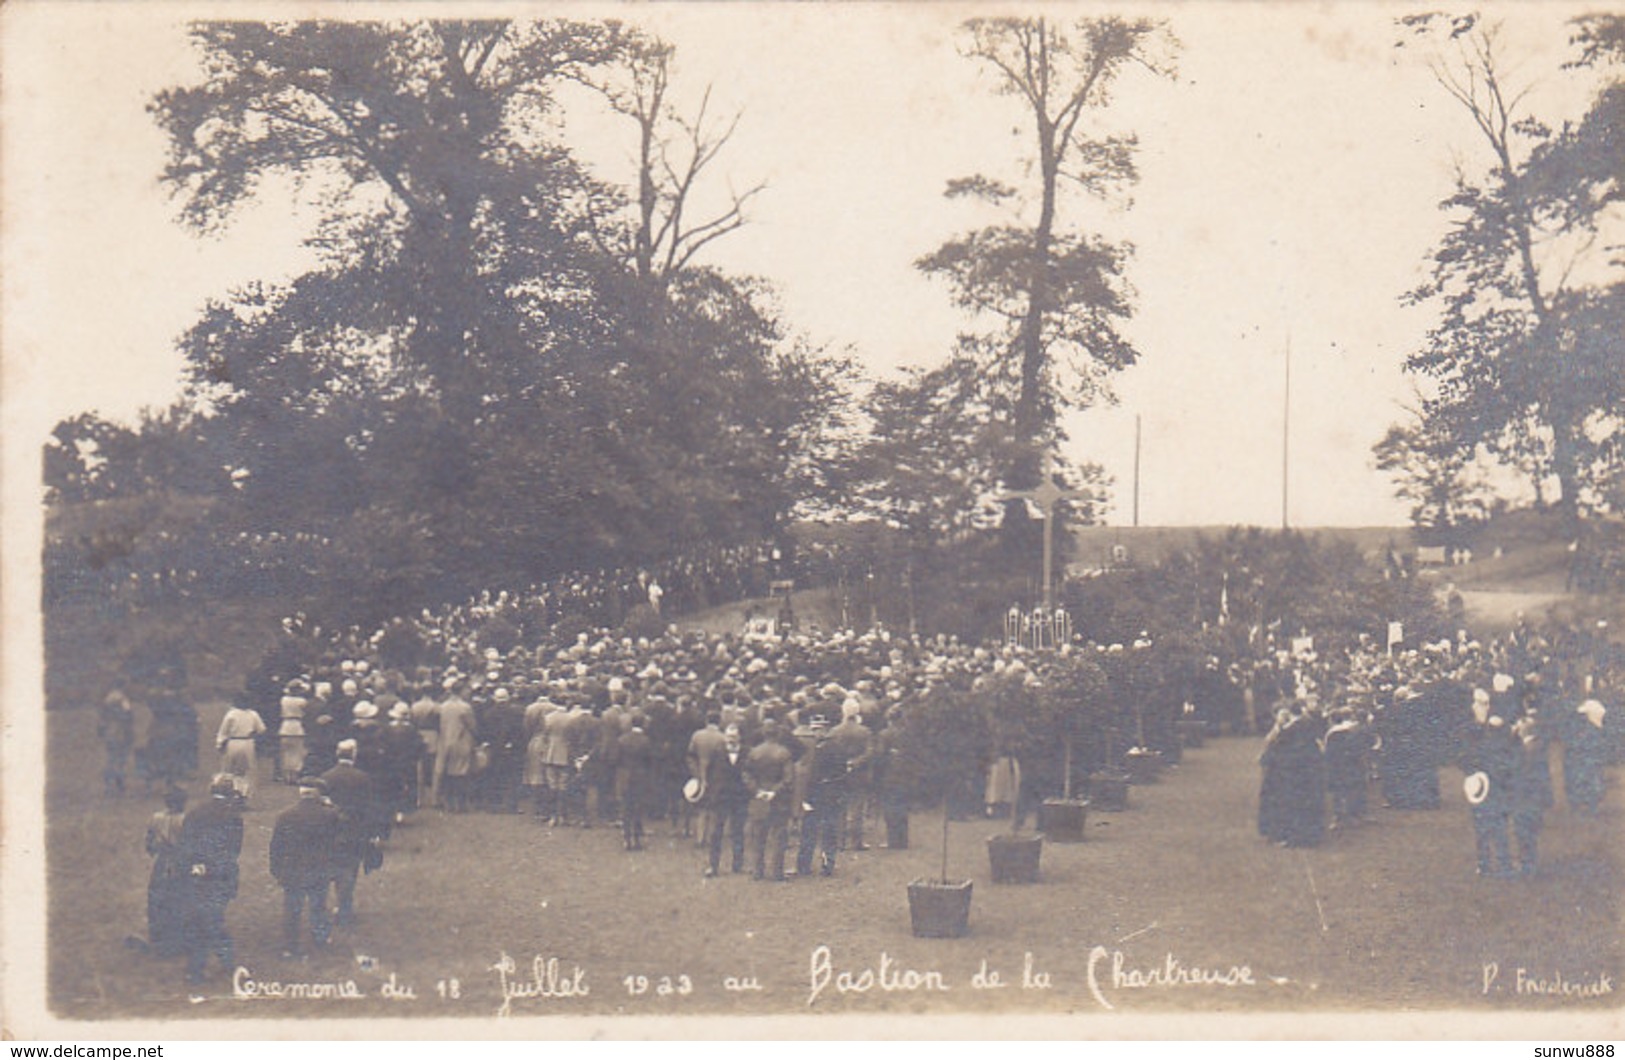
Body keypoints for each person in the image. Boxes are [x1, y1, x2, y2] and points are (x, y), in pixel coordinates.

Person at [179, 775, 244, 994]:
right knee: (213, 919)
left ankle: (204, 967)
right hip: (222, 876)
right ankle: (212, 966)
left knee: (203, 920)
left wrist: (197, 864)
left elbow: (185, 844)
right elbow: (234, 850)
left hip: (198, 874)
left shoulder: (195, 813)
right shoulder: (234, 817)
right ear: (230, 793)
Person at [270, 777, 339, 958]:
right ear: (318, 794)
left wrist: (277, 870)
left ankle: (290, 945)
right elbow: (335, 844)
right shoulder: (329, 815)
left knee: (292, 909)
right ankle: (320, 937)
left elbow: (276, 847)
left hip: (293, 870)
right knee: (318, 906)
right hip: (319, 869)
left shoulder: (285, 815)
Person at [321, 739, 380, 927]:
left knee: (331, 868)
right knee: (350, 870)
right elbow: (369, 807)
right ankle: (345, 906)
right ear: (354, 755)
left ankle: (329, 908)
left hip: (332, 831)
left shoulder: (326, 777)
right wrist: (372, 833)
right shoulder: (363, 778)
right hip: (355, 831)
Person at [137, 786, 189, 958]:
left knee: (157, 899)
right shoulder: (186, 820)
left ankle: (159, 938)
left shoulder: (156, 818)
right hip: (180, 863)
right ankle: (176, 941)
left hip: (162, 863)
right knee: (179, 900)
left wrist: (155, 849)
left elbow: (149, 843)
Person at [744, 720, 795, 881]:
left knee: (758, 835)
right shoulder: (784, 753)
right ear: (777, 734)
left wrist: (757, 790)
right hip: (779, 799)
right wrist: (774, 791)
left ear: (763, 734)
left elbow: (746, 775)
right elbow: (788, 778)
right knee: (779, 835)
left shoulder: (754, 753)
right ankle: (777, 872)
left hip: (758, 797)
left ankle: (758, 871)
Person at [1509, 711, 1554, 876]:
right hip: (1534, 798)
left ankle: (1527, 865)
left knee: (1524, 832)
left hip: (1526, 798)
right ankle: (1528, 863)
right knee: (1528, 833)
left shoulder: (1528, 750)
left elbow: (1520, 772)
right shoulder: (1536, 746)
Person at [702, 724, 750, 877]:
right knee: (716, 832)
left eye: (734, 736)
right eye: (729, 736)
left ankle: (737, 864)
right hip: (720, 798)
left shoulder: (747, 752)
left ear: (740, 737)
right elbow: (709, 772)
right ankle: (713, 865)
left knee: (738, 832)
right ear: (724, 737)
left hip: (739, 797)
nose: (731, 739)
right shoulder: (717, 751)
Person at [436, 676, 478, 813]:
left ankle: (449, 801)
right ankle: (461, 803)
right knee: (462, 772)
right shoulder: (465, 707)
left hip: (445, 740)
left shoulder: (443, 706)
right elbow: (472, 726)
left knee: (448, 771)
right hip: (461, 741)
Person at [215, 697, 267, 803]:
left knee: (229, 770)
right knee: (244, 771)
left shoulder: (231, 714)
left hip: (233, 742)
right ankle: (242, 793)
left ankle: (229, 793)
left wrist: (220, 744)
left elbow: (223, 731)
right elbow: (262, 729)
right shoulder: (253, 714)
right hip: (247, 742)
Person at [616, 713, 654, 851]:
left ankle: (627, 839)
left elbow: (617, 759)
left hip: (625, 775)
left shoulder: (622, 739)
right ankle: (637, 838)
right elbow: (650, 761)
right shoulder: (646, 741)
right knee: (638, 807)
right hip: (640, 776)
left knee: (626, 807)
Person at [99, 683, 137, 796]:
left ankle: (108, 784)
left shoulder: (108, 698)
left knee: (111, 758)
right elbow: (128, 714)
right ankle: (119, 783)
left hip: (110, 731)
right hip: (121, 731)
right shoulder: (122, 699)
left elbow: (102, 718)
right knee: (120, 758)